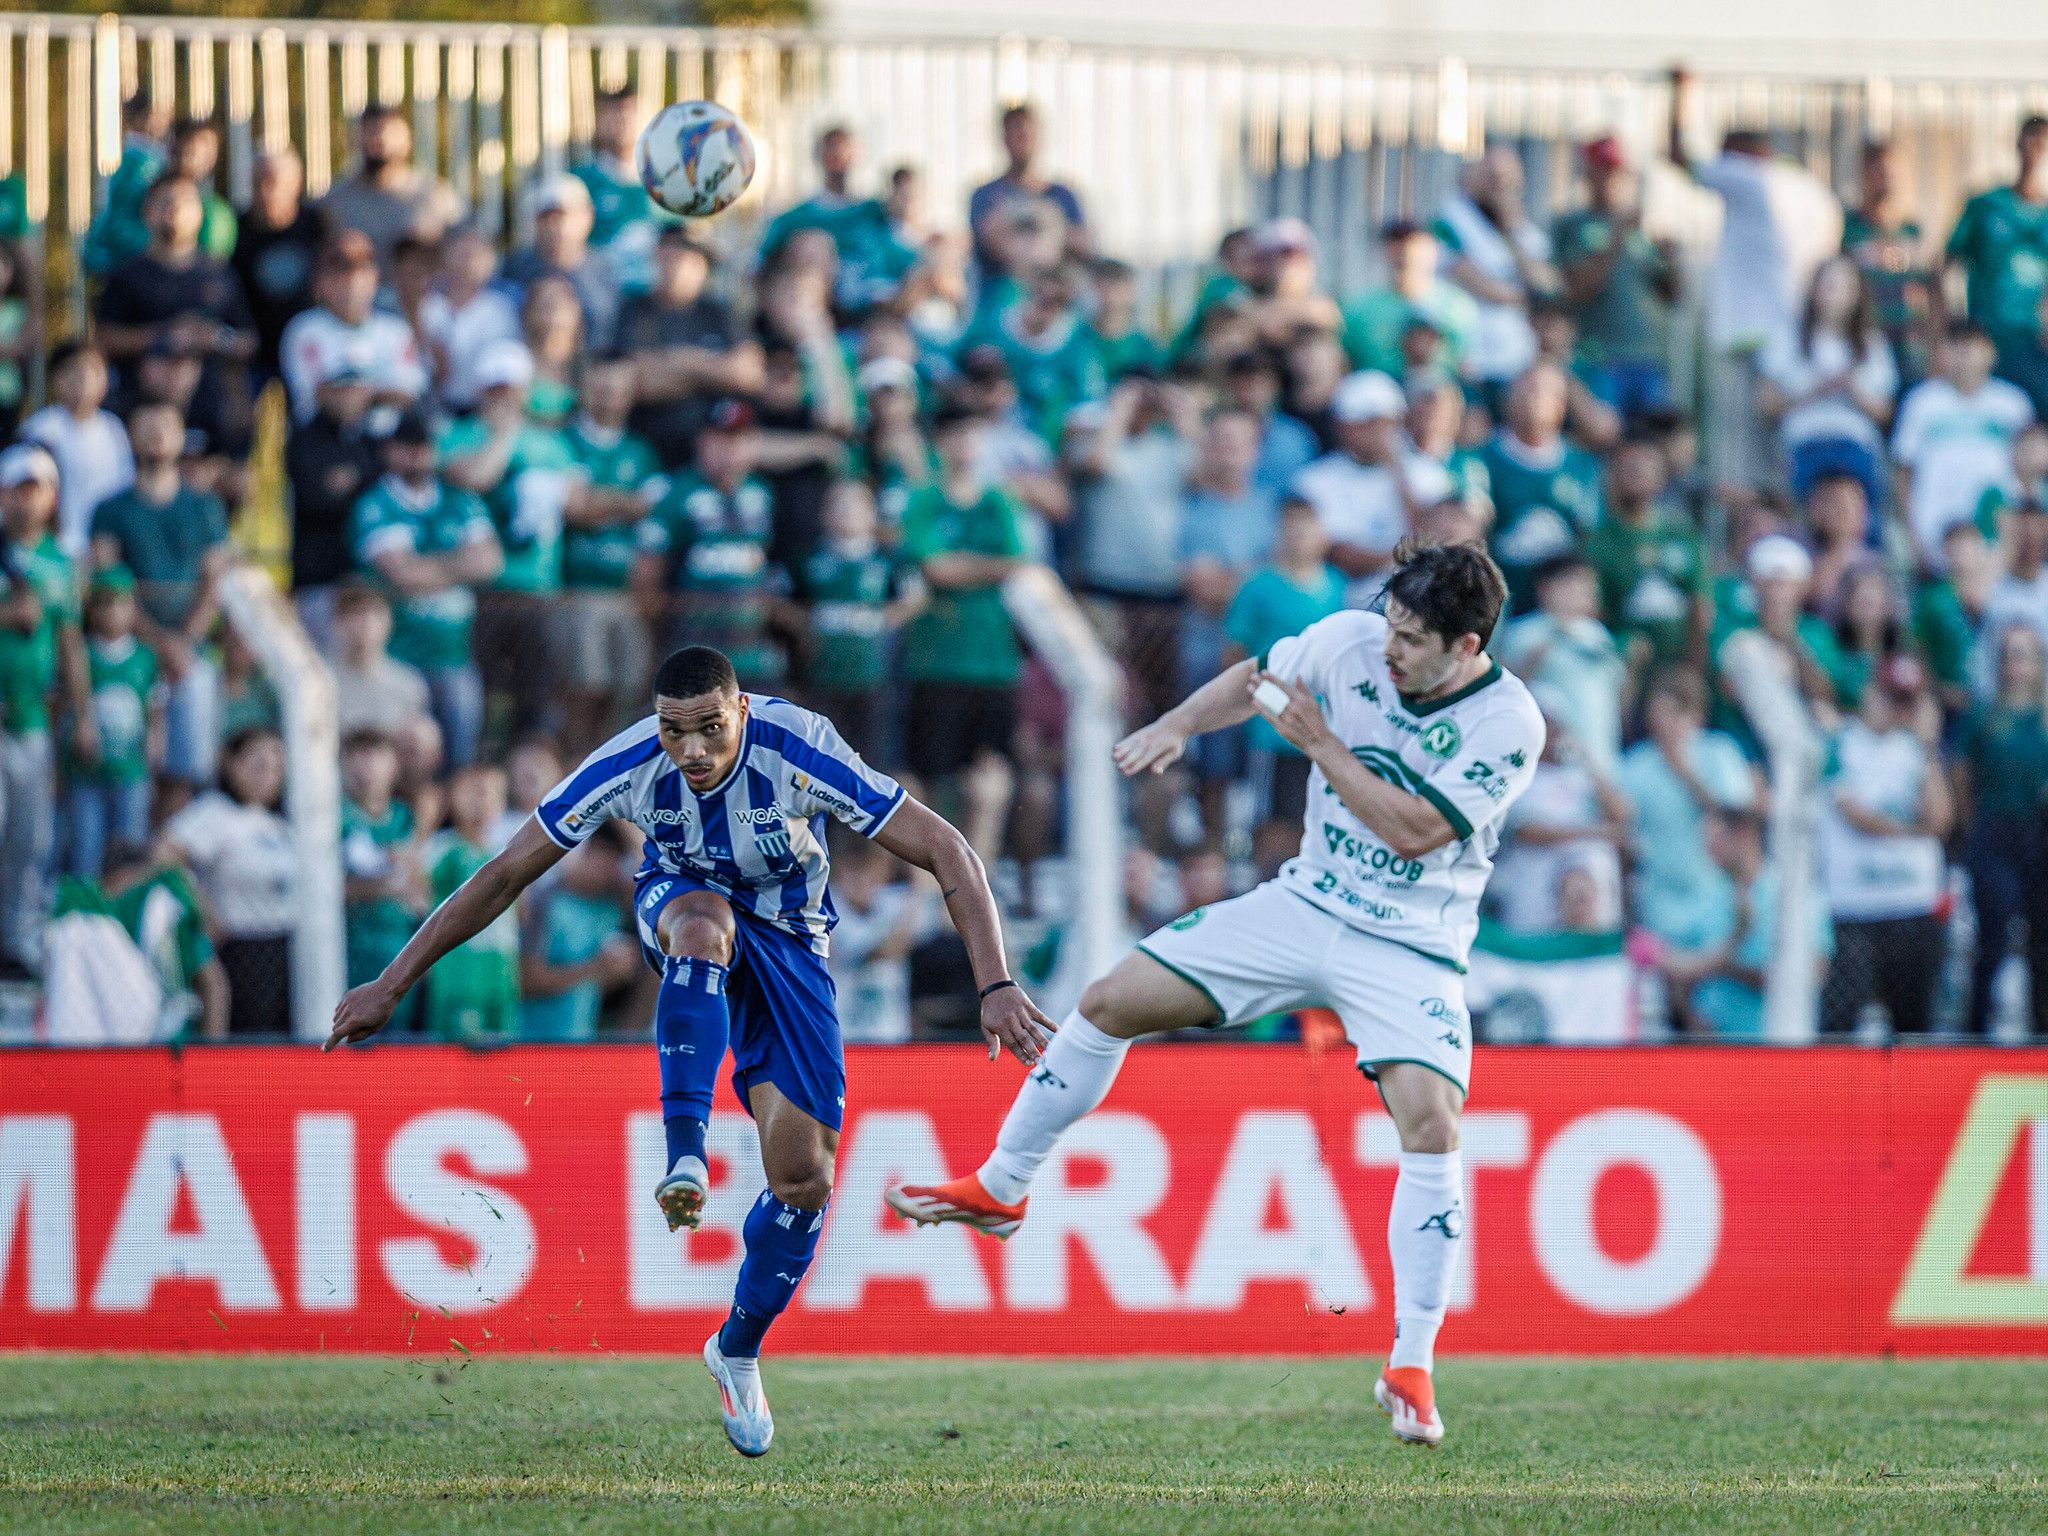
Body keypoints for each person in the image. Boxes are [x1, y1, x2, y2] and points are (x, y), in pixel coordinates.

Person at [890, 541, 1542, 1451]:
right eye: (1389, 626)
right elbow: (1257, 678)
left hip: (1413, 942)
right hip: (1306, 901)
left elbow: (1413, 831)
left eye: (1414, 640)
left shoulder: (1507, 721)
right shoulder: (1351, 641)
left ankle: (1412, 1361)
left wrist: (1317, 742)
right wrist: (1179, 726)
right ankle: (1003, 1186)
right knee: (1112, 999)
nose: (1389, 650)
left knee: (1431, 1123)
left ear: (1467, 646)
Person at [326, 643, 1054, 1455]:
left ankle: (736, 1346)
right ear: (657, 725)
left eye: (711, 728)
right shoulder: (629, 763)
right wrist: (390, 984)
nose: (694, 751)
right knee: (702, 924)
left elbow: (947, 848)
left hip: (794, 946)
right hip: (681, 911)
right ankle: (686, 1155)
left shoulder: (799, 747)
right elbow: (505, 874)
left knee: (805, 1178)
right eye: (677, 732)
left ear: (741, 711)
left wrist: (995, 985)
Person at [896, 403, 1030, 866]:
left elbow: (1016, 562)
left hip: (993, 661)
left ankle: (980, 878)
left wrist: (961, 567)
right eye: (954, 433)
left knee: (989, 777)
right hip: (937, 660)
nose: (964, 443)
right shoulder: (924, 500)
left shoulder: (998, 500)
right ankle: (934, 882)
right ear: (940, 443)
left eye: (971, 431)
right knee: (932, 781)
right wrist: (986, 568)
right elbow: (936, 567)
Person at [89, 401, 233, 790]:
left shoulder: (205, 507)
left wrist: (185, 640)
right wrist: (160, 642)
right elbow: (108, 586)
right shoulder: (110, 509)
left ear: (181, 435)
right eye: (146, 426)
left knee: (191, 763)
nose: (156, 435)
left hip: (190, 651)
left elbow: (214, 581)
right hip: (129, 651)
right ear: (132, 437)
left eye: (166, 426)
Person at [349, 408, 503, 769]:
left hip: (454, 654)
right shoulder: (375, 504)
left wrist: (426, 567)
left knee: (460, 756)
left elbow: (492, 562)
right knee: (401, 756)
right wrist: (460, 564)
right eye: (408, 445)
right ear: (390, 450)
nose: (418, 454)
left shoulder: (459, 499)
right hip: (398, 654)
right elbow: (401, 574)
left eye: (424, 445)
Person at [1818, 654, 1953, 1036]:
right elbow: (1854, 815)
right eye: (1890, 696)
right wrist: (1912, 831)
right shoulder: (1839, 740)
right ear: (1870, 692)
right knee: (1839, 1024)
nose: (1896, 708)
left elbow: (1941, 818)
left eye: (1906, 699)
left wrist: (1928, 747)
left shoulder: (1916, 750)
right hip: (1854, 906)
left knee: (1914, 1026)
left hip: (1913, 902)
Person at [0, 443, 88, 975]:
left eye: (36, 489)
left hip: (33, 716)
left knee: (31, 836)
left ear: (52, 497)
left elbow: (71, 642)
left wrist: (84, 714)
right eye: (17, 488)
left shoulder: (60, 564)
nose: (26, 500)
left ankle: (17, 940)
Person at [633, 397, 786, 691]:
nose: (729, 450)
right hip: (692, 641)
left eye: (739, 439)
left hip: (750, 644)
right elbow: (646, 576)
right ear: (701, 442)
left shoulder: (762, 492)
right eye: (719, 440)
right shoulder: (675, 493)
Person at [556, 353, 665, 753]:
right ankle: (575, 765)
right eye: (600, 387)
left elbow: (654, 515)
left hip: (628, 593)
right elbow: (577, 509)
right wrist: (630, 504)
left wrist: (602, 504)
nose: (608, 397)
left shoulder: (641, 452)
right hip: (577, 589)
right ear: (584, 389)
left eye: (617, 389)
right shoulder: (565, 442)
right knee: (586, 684)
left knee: (632, 688)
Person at [160, 725, 297, 1035]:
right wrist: (202, 908)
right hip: (239, 948)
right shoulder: (215, 813)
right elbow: (164, 855)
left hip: (282, 949)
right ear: (232, 764)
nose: (268, 775)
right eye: (258, 765)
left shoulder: (281, 824)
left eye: (276, 768)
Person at [1616, 668, 1760, 950]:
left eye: (1672, 713)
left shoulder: (1720, 752)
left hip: (1716, 893)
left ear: (1694, 714)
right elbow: (1624, 834)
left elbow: (1736, 820)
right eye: (1656, 713)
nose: (1662, 723)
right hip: (1658, 899)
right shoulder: (1634, 765)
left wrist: (1685, 774)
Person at [1952, 623, 2048, 1035]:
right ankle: (1977, 1030)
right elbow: (1959, 772)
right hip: (1992, 831)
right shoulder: (1984, 716)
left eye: (2024, 653)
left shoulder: (2043, 719)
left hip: (2038, 834)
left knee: (2042, 938)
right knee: (1993, 929)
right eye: (2010, 653)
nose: (2016, 663)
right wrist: (1969, 821)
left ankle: (2039, 1029)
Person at [92, 173, 256, 415]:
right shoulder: (127, 275)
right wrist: (162, 336)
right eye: (165, 201)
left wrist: (216, 338)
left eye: (186, 200)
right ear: (147, 211)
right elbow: (103, 339)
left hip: (212, 412)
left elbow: (248, 341)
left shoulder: (220, 274)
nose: (176, 208)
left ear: (200, 213)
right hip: (141, 410)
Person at [789, 479, 924, 760]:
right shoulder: (809, 559)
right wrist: (805, 627)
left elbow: (915, 597)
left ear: (872, 513)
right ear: (824, 512)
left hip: (873, 679)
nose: (847, 511)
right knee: (821, 757)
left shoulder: (887, 559)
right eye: (838, 504)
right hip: (821, 677)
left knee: (871, 758)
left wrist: (883, 620)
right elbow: (779, 600)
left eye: (856, 504)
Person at [1291, 369, 1451, 604]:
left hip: (1415, 602)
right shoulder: (1314, 480)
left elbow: (1433, 536)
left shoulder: (1429, 474)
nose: (1378, 432)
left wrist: (1396, 468)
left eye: (1386, 422)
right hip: (1338, 604)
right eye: (1366, 423)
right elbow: (1335, 554)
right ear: (1343, 425)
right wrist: (1402, 559)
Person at [1552, 136, 1679, 425]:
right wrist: (1616, 235)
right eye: (1603, 170)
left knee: (1651, 444)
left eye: (1616, 172)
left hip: (1649, 358)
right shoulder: (1572, 225)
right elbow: (1577, 289)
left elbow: (1671, 294)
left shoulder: (1641, 232)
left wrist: (1671, 260)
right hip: (1600, 358)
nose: (1611, 180)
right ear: (1589, 174)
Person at [1758, 255, 1898, 512]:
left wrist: (1852, 389)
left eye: (1844, 287)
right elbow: (1767, 405)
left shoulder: (1872, 344)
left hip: (1855, 444)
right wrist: (1816, 390)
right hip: (1803, 443)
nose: (1835, 295)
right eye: (1829, 286)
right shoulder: (1787, 337)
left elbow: (1885, 413)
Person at [616, 226, 762, 469]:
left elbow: (749, 375)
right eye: (670, 256)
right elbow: (639, 382)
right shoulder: (635, 309)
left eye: (688, 259)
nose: (678, 266)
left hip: (710, 454)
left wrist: (681, 362)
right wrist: (713, 371)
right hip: (647, 449)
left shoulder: (719, 313)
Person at [1481, 362, 1606, 613]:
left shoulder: (1582, 465)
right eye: (1525, 391)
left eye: (1543, 392)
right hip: (1499, 601)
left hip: (1561, 608)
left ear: (1561, 406)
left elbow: (1590, 536)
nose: (1533, 400)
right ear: (1508, 402)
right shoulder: (1484, 458)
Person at [63, 567, 161, 879]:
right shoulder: (80, 656)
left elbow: (155, 704)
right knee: (85, 850)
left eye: (121, 603)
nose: (113, 612)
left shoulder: (144, 657)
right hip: (86, 770)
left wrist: (156, 736)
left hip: (131, 770)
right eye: (104, 603)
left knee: (129, 850)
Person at [1434, 147, 1557, 395]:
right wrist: (1527, 297)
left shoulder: (1522, 229)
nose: (1500, 186)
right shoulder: (1450, 219)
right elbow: (1473, 280)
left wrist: (1510, 233)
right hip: (1467, 359)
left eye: (1508, 179)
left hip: (1516, 358)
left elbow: (1547, 286)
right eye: (1492, 177)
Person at [279, 231, 428, 424]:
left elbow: (408, 392)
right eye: (339, 273)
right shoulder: (304, 329)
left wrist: (365, 395)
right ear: (320, 283)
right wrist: (372, 394)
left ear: (374, 278)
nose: (351, 281)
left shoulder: (395, 330)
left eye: (360, 270)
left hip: (385, 442)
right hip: (324, 438)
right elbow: (315, 397)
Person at [422, 764, 523, 1042]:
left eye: (493, 794)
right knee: (457, 1048)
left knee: (501, 1049)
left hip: (501, 967)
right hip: (457, 967)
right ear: (454, 797)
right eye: (475, 792)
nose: (484, 801)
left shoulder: (508, 853)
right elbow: (415, 888)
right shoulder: (442, 848)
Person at [1945, 114, 2048, 371]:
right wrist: (1948, 326)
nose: (2037, 151)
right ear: (2018, 143)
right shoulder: (1985, 205)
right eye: (2031, 139)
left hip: (2034, 344)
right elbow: (1945, 266)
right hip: (1983, 339)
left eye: (2043, 143)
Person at [340, 727, 428, 1026]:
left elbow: (420, 889)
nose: (366, 768)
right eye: (356, 758)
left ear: (394, 765)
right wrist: (385, 886)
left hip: (400, 953)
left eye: (375, 757)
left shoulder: (407, 817)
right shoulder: (333, 817)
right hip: (352, 954)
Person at [518, 829, 640, 1042]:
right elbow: (525, 980)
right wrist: (594, 969)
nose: (609, 867)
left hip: (580, 1043)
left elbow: (652, 873)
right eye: (603, 855)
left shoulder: (609, 907)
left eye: (616, 859)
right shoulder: (547, 899)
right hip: (533, 1043)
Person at [20, 341, 134, 557]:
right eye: (73, 371)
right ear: (56, 379)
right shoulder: (40, 428)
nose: (83, 379)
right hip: (56, 548)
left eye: (94, 370)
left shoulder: (113, 428)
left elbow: (125, 487)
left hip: (107, 549)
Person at [317, 103, 461, 268]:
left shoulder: (433, 196)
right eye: (372, 131)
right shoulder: (334, 202)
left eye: (391, 133)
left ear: (408, 139)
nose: (381, 140)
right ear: (354, 139)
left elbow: (463, 248)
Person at [1842, 140, 1934, 389]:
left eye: (1894, 173)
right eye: (1880, 172)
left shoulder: (1912, 231)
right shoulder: (1846, 228)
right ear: (1864, 175)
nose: (1888, 180)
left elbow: (1931, 289)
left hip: (1909, 344)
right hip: (1866, 341)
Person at [231, 147, 325, 385]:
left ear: (296, 183)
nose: (263, 191)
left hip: (310, 348)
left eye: (272, 181)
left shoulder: (317, 225)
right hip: (254, 354)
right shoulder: (235, 230)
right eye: (256, 182)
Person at [1340, 220, 1477, 381]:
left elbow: (1468, 368)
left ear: (1433, 249)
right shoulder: (1359, 308)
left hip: (1437, 392)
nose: (1404, 251)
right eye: (1395, 243)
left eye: (1413, 242)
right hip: (1380, 393)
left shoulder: (1458, 306)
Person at [969, 102, 1087, 286]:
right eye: (1015, 135)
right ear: (1004, 139)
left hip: (1053, 291)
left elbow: (1082, 244)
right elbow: (991, 241)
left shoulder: (1063, 195)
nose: (1022, 141)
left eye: (1027, 135)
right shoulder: (986, 195)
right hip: (1003, 293)